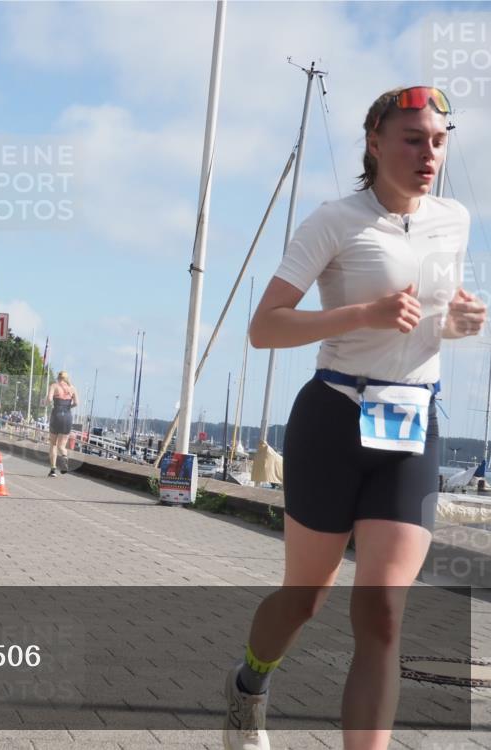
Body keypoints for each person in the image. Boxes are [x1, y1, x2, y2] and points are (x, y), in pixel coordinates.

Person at [221, 86, 485, 750]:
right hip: (334, 421)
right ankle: (250, 684)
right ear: (374, 141)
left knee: (384, 614)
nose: (431, 153)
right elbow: (264, 328)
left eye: (439, 140)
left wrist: (454, 324)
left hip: (411, 420)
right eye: (413, 139)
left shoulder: (455, 218)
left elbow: (430, 321)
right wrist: (359, 315)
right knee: (306, 599)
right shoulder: (335, 221)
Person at [45, 371, 78, 477]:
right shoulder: (72, 388)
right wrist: (68, 407)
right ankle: (64, 456)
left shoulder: (54, 386)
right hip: (67, 416)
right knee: (61, 446)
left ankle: (53, 470)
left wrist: (46, 403)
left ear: (58, 378)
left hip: (56, 415)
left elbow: (49, 399)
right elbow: (76, 403)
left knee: (53, 444)